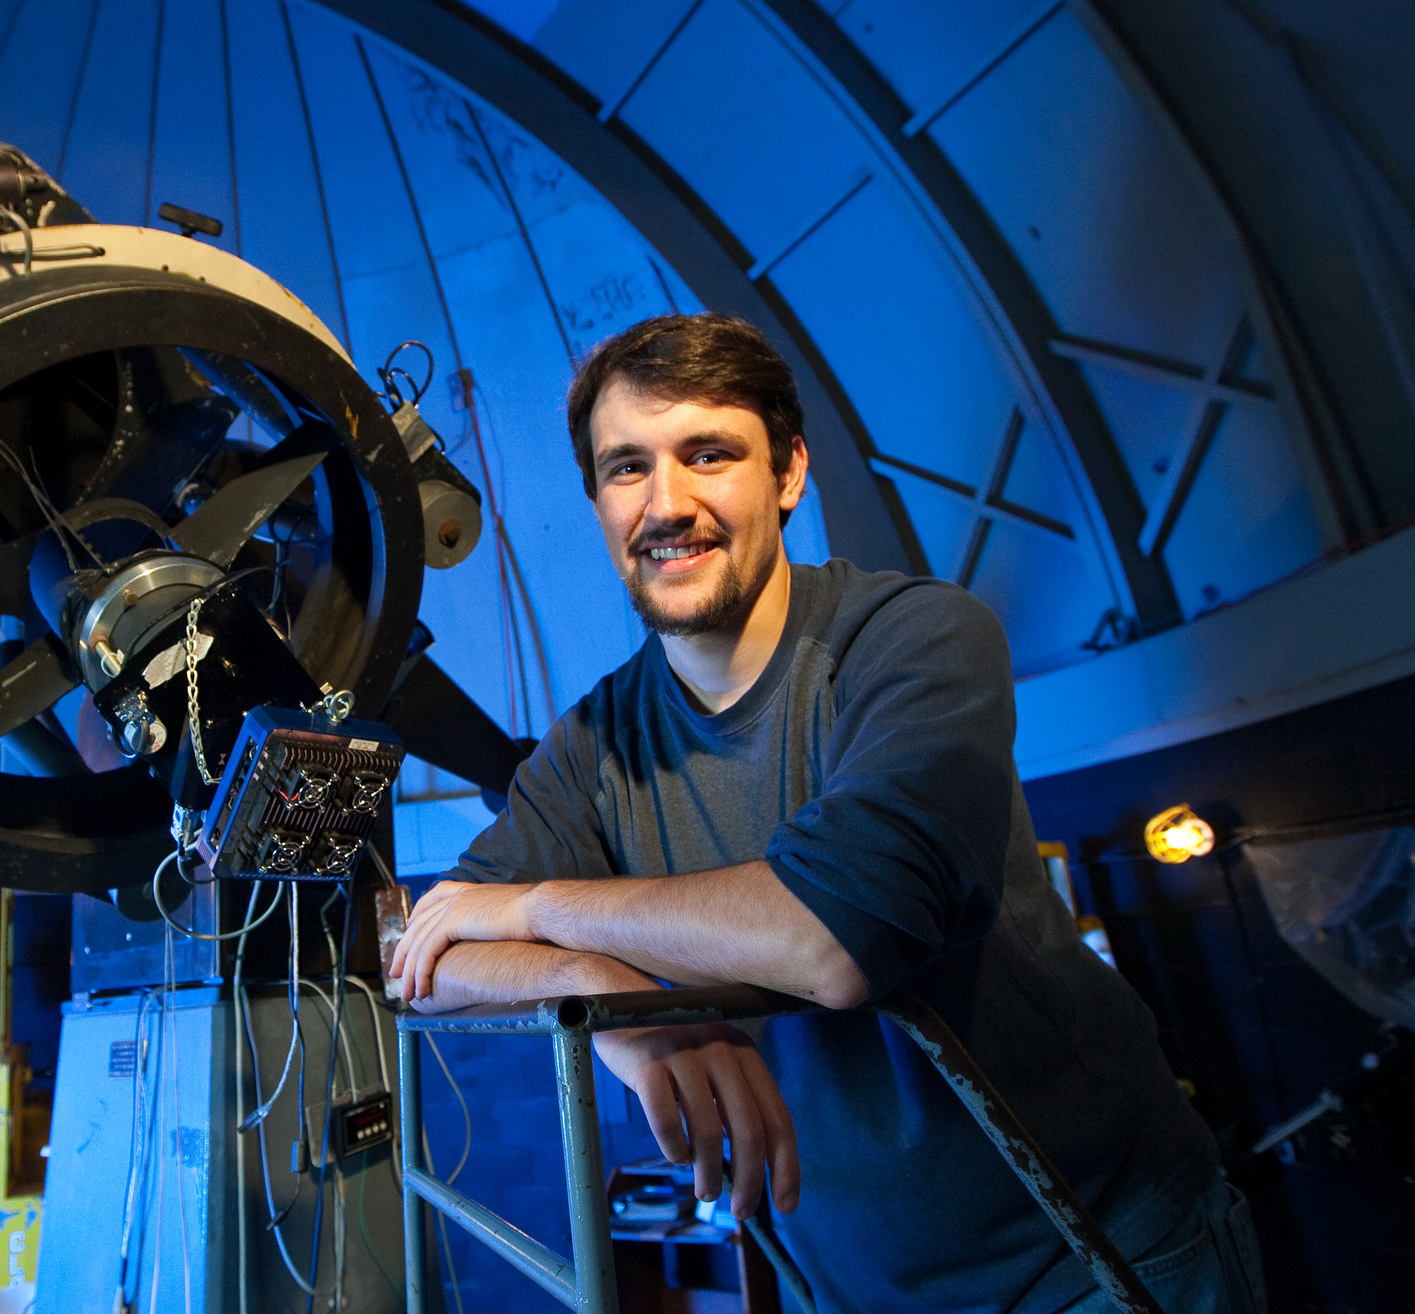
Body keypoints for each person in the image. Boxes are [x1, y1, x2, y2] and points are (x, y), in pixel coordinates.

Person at [387, 314, 1264, 1312]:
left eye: (707, 453)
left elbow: (834, 937)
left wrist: (536, 900)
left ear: (788, 472)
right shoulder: (590, 739)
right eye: (625, 467)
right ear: (595, 499)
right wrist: (604, 998)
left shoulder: (916, 640)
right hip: (842, 1289)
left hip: (1092, 1259)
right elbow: (424, 961)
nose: (664, 503)